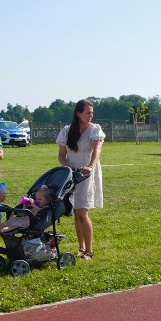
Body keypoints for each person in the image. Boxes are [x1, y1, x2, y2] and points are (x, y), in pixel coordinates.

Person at [57, 99, 105, 260]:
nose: (90, 115)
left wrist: (90, 166)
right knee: (76, 211)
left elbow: (97, 150)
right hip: (72, 173)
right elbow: (61, 155)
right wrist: (68, 167)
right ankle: (81, 247)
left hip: (87, 172)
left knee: (83, 211)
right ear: (78, 113)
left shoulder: (95, 129)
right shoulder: (66, 131)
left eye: (92, 112)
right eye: (87, 112)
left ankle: (89, 251)